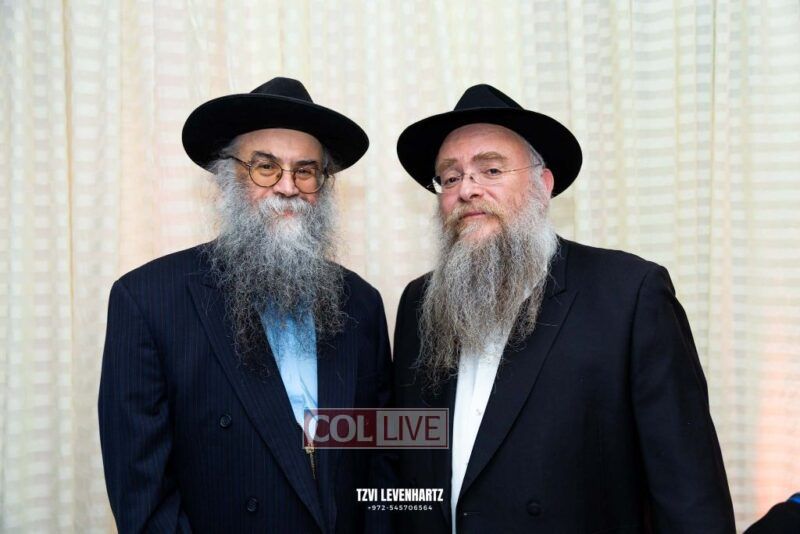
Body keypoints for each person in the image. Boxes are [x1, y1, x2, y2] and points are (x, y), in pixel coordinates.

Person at [392, 83, 735, 533]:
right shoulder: (420, 302)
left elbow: (688, 489)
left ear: (543, 185)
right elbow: (410, 456)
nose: (468, 189)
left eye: (490, 169)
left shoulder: (629, 294)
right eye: (450, 177)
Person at [99, 77, 392, 533]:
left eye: (306, 171)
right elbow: (143, 497)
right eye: (265, 167)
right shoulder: (147, 300)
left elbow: (382, 457)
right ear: (227, 180)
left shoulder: (361, 303)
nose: (288, 187)